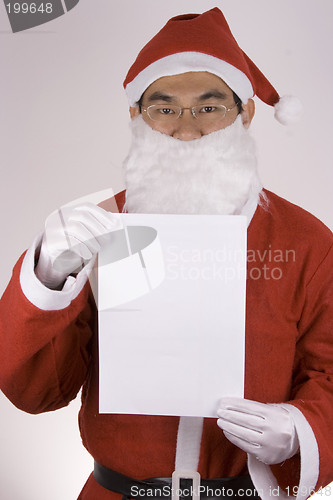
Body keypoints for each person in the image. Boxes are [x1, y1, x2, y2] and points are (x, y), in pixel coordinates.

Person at [0, 7, 332, 500]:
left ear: (246, 111)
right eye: (164, 107)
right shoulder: (93, 232)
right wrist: (47, 277)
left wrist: (301, 427)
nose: (186, 130)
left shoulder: (305, 240)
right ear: (136, 116)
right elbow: (37, 391)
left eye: (208, 106)